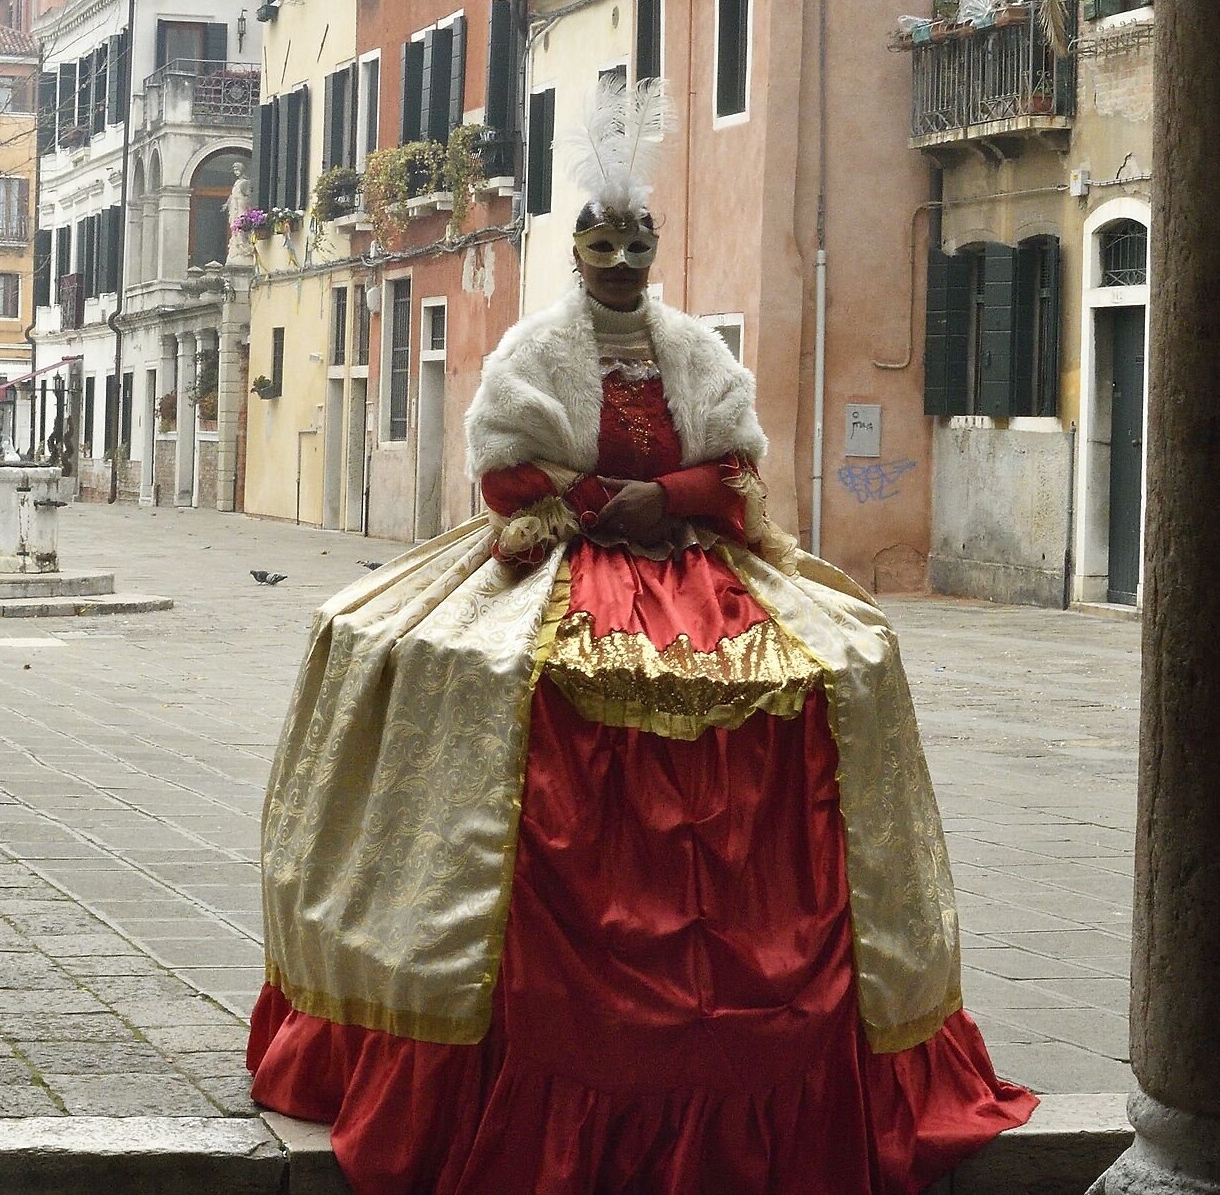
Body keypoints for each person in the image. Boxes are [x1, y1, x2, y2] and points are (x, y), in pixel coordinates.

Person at [249, 83, 1034, 1193]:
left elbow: (736, 466)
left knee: (845, 658)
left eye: (636, 245)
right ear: (576, 252)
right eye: (602, 245)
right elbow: (507, 469)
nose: (620, 262)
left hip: (691, 563)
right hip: (564, 559)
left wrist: (667, 497)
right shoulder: (533, 350)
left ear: (654, 252)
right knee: (446, 661)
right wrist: (589, 501)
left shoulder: (696, 352)